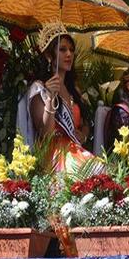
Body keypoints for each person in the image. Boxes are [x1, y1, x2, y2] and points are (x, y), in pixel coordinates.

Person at [27, 21, 96, 173]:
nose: (69, 54)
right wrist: (51, 99)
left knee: (101, 170)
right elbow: (45, 134)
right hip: (55, 156)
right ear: (49, 55)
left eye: (71, 50)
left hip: (76, 150)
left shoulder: (73, 89)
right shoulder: (40, 88)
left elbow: (86, 123)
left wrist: (83, 135)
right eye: (62, 50)